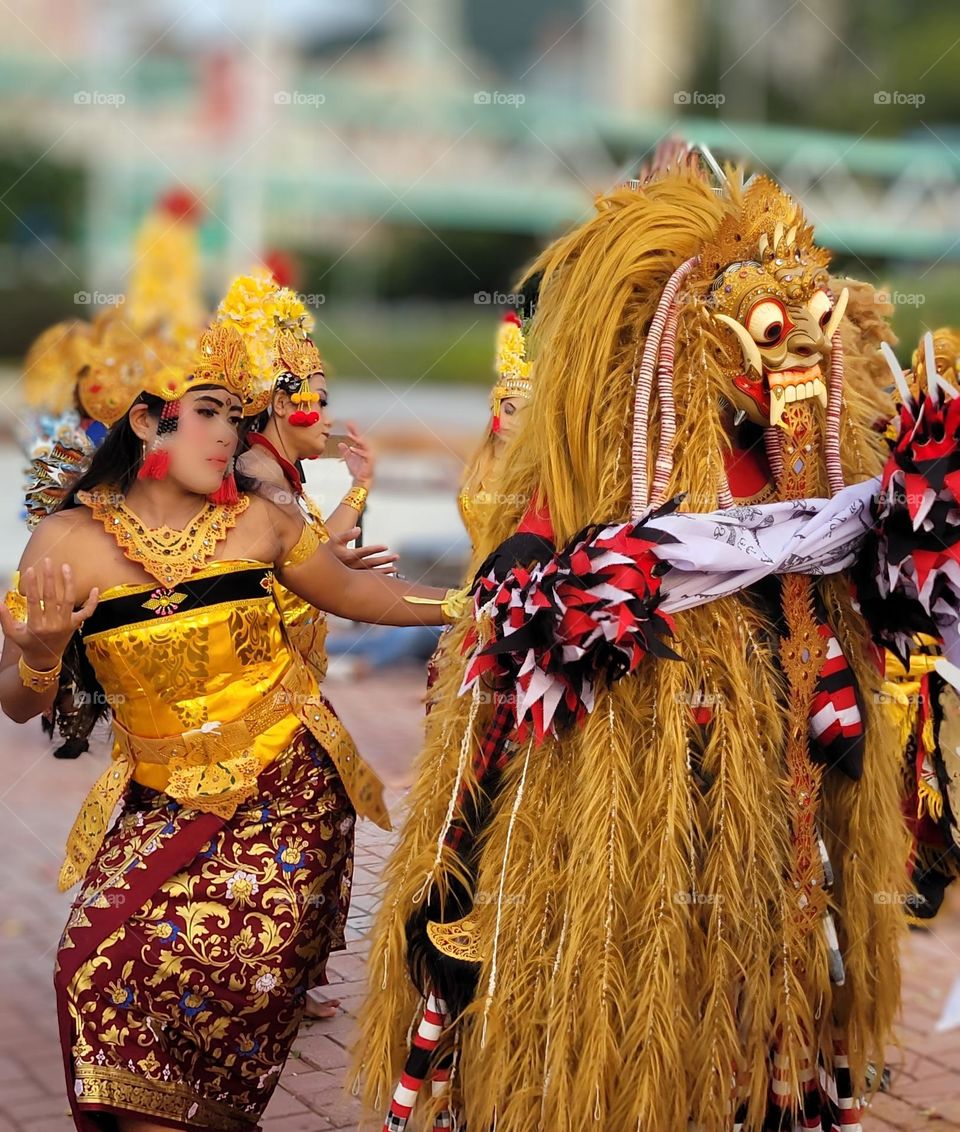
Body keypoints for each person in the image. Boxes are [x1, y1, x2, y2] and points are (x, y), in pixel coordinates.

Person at [355, 156, 955, 1131]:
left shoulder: (808, 461)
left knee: (757, 999)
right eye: (767, 330)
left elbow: (881, 571)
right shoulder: (593, 471)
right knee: (629, 1012)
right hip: (622, 802)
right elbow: (519, 632)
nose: (792, 354)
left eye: (810, 329)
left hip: (775, 791)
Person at [0, 314, 459, 1132]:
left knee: (207, 972)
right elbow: (20, 699)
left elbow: (357, 596)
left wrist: (474, 607)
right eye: (209, 410)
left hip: (285, 786)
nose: (231, 435)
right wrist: (39, 654)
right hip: (157, 802)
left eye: (239, 417)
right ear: (147, 420)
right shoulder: (64, 543)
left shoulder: (263, 520)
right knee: (89, 966)